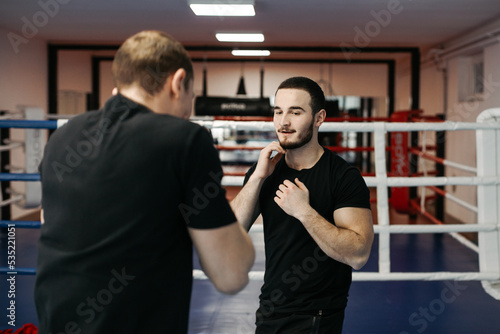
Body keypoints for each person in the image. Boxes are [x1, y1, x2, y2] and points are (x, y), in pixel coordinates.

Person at [35, 30, 255, 334]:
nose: (188, 109)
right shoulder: (184, 139)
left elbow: (51, 220)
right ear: (178, 82)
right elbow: (231, 276)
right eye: (191, 97)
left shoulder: (63, 137)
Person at [230, 76, 374, 333]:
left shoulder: (342, 177)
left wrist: (304, 212)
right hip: (270, 308)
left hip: (317, 315)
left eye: (295, 112)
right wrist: (257, 179)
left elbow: (358, 254)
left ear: (319, 118)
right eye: (278, 111)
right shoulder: (264, 171)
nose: (283, 122)